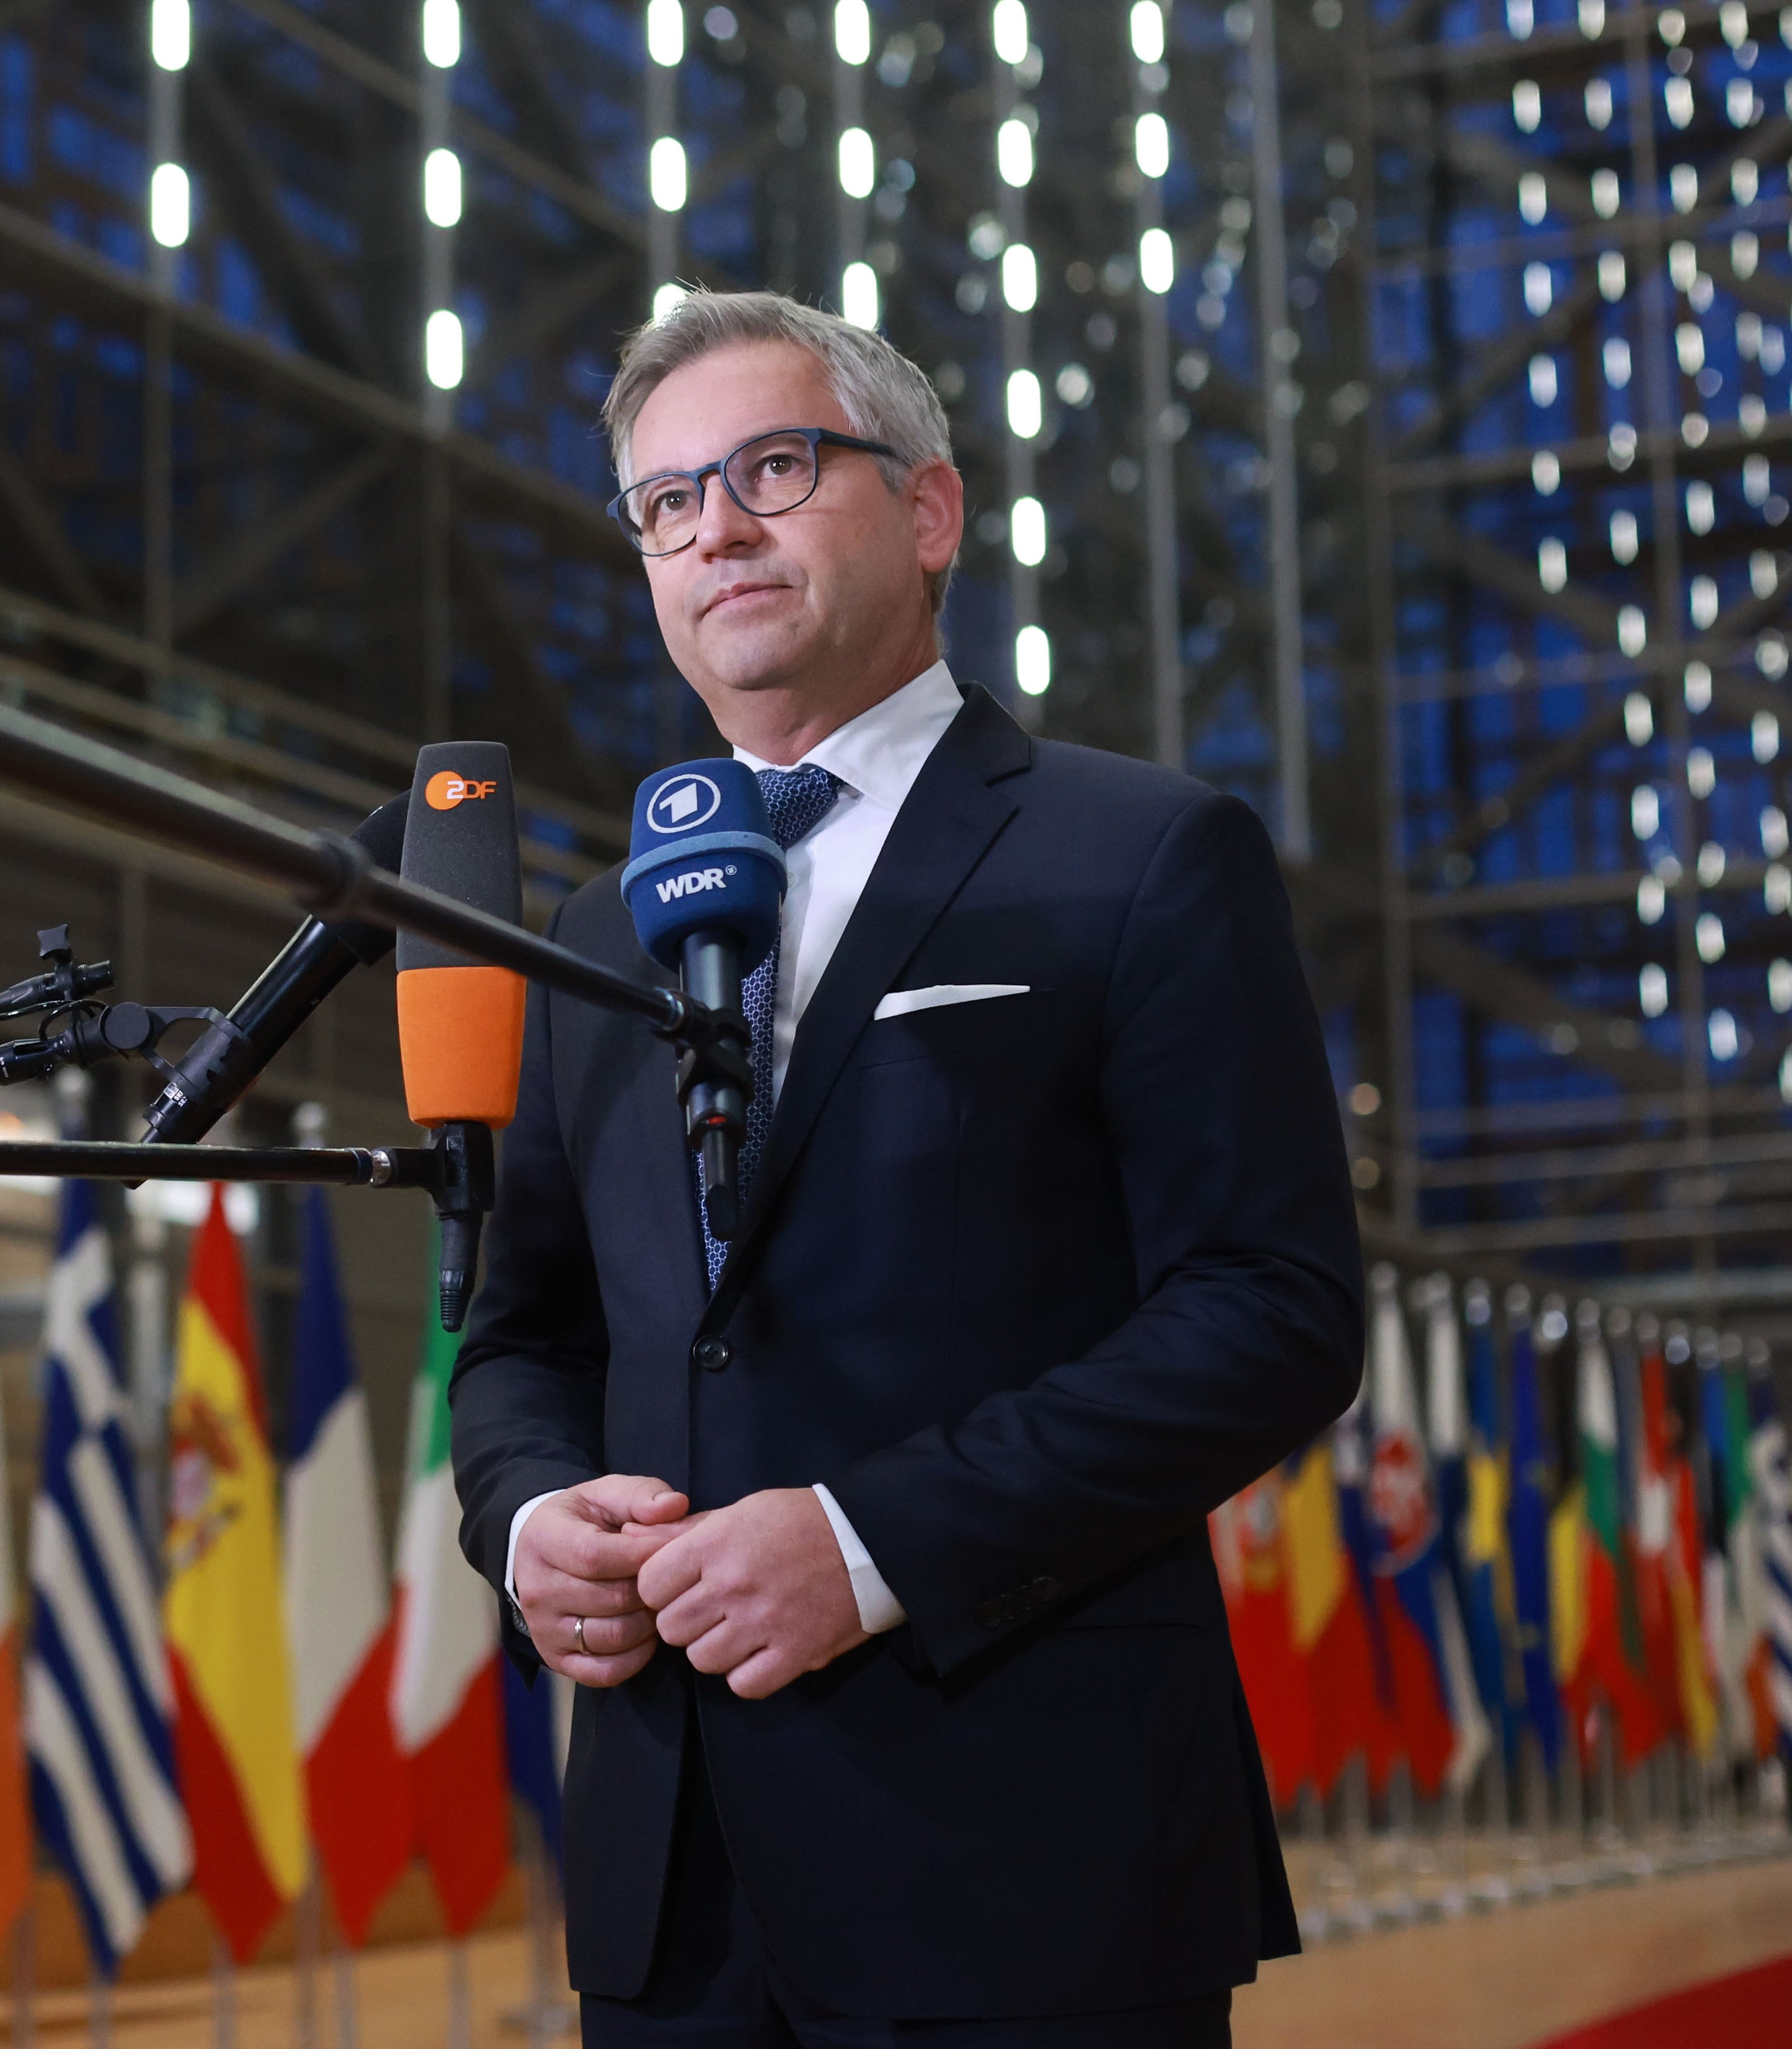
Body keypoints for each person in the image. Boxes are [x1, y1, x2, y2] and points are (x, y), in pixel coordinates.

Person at [448, 289, 1364, 2047]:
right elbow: (525, 1335)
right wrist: (529, 1514)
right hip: (675, 1887)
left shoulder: (1145, 854)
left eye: (773, 467)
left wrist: (871, 1543)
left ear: (928, 511)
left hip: (1025, 1863)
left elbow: (1275, 1310)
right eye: (666, 499)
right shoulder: (593, 934)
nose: (715, 524)